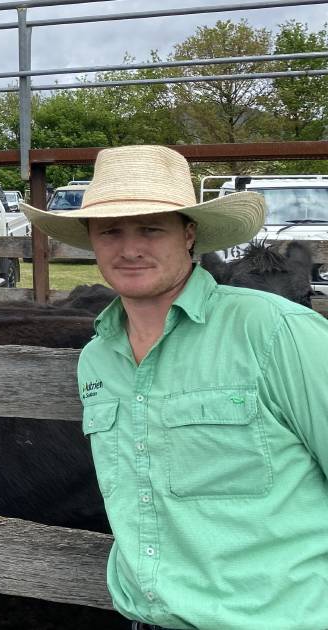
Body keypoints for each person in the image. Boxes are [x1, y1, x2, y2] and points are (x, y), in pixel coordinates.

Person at [22, 145, 328, 630]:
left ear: (189, 234)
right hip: (146, 619)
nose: (130, 249)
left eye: (151, 228)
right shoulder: (98, 358)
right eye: (111, 231)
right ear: (90, 241)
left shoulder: (276, 331)